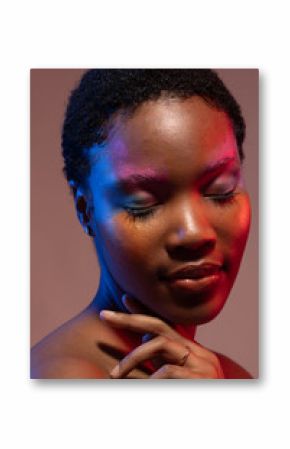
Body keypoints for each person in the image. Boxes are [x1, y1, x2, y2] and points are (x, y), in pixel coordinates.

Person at [31, 69, 253, 379]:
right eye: (143, 204)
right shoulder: (63, 379)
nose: (194, 232)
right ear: (85, 209)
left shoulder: (225, 377)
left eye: (221, 191)